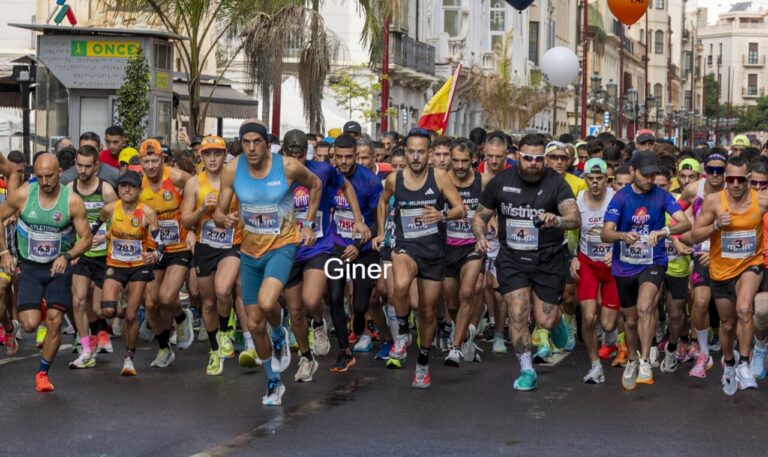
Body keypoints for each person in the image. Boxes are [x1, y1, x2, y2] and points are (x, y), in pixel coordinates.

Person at [214, 121, 321, 406]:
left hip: (282, 247)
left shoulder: (287, 167)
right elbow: (218, 212)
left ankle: (279, 333)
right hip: (249, 253)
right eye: (245, 142)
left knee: (266, 302)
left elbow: (316, 185)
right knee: (254, 324)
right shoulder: (232, 169)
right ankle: (273, 382)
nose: (251, 148)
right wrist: (222, 218)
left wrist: (308, 224)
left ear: (266, 143)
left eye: (256, 142)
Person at [473, 133, 581, 391]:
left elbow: (575, 218)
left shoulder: (556, 183)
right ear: (518, 156)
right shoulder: (500, 182)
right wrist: (479, 236)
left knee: (546, 320)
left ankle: (555, 328)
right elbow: (479, 216)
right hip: (512, 258)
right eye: (527, 157)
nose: (533, 162)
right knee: (518, 312)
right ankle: (527, 369)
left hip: (548, 258)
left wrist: (557, 220)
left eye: (538, 158)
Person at [372, 128, 465, 389]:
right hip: (405, 246)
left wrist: (442, 215)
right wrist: (381, 232)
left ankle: (423, 362)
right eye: (411, 151)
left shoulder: (440, 178)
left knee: (427, 313)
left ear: (429, 154)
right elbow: (383, 202)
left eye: (420, 152)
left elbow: (461, 209)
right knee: (399, 286)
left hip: (433, 252)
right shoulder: (394, 179)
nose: (415, 156)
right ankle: (401, 334)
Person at [0, 153, 93, 392]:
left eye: (49, 176)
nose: (44, 182)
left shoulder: (71, 201)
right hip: (30, 267)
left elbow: (87, 239)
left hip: (57, 267)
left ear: (60, 173)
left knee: (55, 321)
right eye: (39, 176)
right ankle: (42, 303)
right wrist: (4, 253)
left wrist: (68, 256)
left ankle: (43, 373)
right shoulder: (23, 195)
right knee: (30, 325)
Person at [281, 130, 368, 379]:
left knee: (310, 300)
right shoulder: (275, 175)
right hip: (288, 250)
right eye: (292, 154)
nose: (297, 160)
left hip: (319, 246)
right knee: (295, 310)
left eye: (301, 155)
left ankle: (318, 322)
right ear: (284, 153)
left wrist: (359, 220)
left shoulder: (321, 170)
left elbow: (347, 187)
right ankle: (307, 359)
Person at [601, 151, 691, 390]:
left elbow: (685, 222)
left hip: (654, 260)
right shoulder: (621, 198)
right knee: (629, 320)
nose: (650, 179)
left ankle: (644, 361)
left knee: (645, 306)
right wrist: (622, 235)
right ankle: (631, 358)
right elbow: (605, 232)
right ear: (632, 172)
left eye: (654, 175)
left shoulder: (662, 195)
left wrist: (664, 232)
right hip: (624, 265)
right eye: (645, 175)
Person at [691, 155, 767, 394]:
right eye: (730, 179)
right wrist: (715, 226)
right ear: (725, 179)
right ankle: (730, 363)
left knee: (745, 309)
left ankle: (745, 363)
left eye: (740, 180)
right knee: (727, 324)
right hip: (722, 269)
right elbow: (694, 236)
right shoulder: (713, 201)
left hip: (750, 264)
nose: (735, 184)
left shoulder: (762, 200)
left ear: (748, 179)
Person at [181, 136, 242, 375]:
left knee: (223, 289)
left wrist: (237, 219)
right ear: (201, 156)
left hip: (231, 244)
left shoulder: (236, 179)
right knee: (207, 302)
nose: (213, 158)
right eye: (208, 154)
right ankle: (215, 349)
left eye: (217, 153)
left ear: (224, 155)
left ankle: (227, 330)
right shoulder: (194, 184)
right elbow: (185, 220)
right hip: (205, 245)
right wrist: (201, 209)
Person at [138, 139, 195, 368]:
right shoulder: (137, 183)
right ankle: (163, 348)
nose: (151, 166)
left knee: (166, 297)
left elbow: (199, 187)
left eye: (155, 160)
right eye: (146, 161)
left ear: (163, 159)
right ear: (140, 162)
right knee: (150, 303)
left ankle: (181, 317)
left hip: (179, 245)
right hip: (153, 248)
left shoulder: (176, 177)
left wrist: (192, 228)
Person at [97, 171, 160, 375]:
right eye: (123, 185)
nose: (126, 189)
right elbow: (95, 227)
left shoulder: (147, 212)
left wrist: (156, 255)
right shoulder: (109, 209)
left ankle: (128, 359)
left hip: (138, 267)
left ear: (139, 190)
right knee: (107, 311)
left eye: (131, 186)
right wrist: (98, 238)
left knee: (132, 316)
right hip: (115, 264)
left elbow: (160, 243)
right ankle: (121, 307)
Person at [326, 133, 378, 372]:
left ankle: (359, 322)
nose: (344, 162)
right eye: (339, 157)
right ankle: (344, 351)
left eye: (349, 157)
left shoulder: (369, 181)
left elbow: (380, 220)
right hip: (336, 246)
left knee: (359, 305)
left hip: (365, 250)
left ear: (356, 156)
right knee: (335, 298)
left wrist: (358, 245)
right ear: (333, 156)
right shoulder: (328, 177)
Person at [67, 146, 118, 369]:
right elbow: (67, 224)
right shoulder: (70, 189)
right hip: (83, 254)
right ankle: (87, 349)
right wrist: (73, 249)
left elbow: (120, 221)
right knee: (78, 300)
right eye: (79, 165)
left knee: (98, 308)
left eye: (88, 166)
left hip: (104, 256)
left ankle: (101, 330)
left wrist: (105, 236)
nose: (83, 170)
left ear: (96, 166)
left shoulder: (106, 190)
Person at [570, 158, 619, 384]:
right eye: (591, 178)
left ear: (607, 180)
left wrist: (617, 251)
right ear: (585, 178)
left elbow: (627, 229)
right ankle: (595, 365)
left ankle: (610, 338)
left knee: (608, 324)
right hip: (588, 262)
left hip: (611, 266)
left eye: (600, 178)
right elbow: (572, 232)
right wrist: (572, 257)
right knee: (588, 316)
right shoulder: (578, 200)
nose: (596, 183)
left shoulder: (616, 199)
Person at [443, 138, 489, 367]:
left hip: (473, 245)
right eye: (455, 160)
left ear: (473, 160)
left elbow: (494, 208)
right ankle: (464, 333)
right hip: (446, 247)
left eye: (464, 161)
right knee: (451, 304)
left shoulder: (483, 182)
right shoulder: (441, 179)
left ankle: (456, 347)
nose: (460, 166)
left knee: (467, 292)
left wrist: (492, 225)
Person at [679, 152, 727, 378]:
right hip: (701, 252)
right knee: (699, 303)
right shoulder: (693, 189)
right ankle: (703, 352)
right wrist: (677, 238)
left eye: (720, 170)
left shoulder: (734, 189)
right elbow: (674, 213)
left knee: (732, 310)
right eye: (711, 170)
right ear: (705, 170)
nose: (715, 175)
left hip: (729, 256)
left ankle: (734, 355)